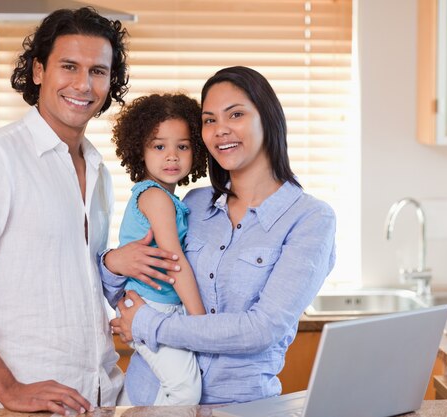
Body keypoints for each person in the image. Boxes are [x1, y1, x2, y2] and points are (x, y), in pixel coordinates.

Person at [101, 66, 337, 405]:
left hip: (240, 408)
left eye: (236, 114)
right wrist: (114, 262)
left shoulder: (310, 219)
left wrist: (149, 326)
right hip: (146, 399)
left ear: (267, 119)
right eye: (209, 120)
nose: (221, 130)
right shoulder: (192, 204)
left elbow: (261, 330)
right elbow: (137, 291)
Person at [0, 7, 129, 415]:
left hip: (99, 393)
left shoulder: (100, 171)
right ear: (39, 70)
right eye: (69, 66)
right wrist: (9, 389)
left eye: (98, 71)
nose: (84, 84)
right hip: (21, 403)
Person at [111, 93, 209, 405]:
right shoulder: (155, 197)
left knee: (156, 389)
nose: (172, 156)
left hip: (158, 306)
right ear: (140, 149)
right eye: (159, 146)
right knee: (185, 389)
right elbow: (174, 260)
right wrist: (199, 322)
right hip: (150, 308)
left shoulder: (171, 200)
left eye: (182, 146)